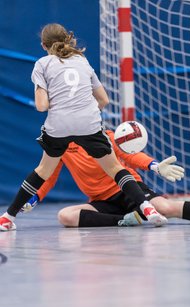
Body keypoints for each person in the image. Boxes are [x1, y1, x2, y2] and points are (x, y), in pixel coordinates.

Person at [0, 23, 170, 231]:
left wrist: (61, 104)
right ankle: (147, 208)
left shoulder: (42, 64)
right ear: (66, 39)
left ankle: (8, 217)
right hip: (88, 122)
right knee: (115, 168)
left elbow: (41, 106)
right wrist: (83, 111)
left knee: (42, 171)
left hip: (59, 125)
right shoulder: (82, 61)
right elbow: (104, 100)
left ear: (43, 45)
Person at [21, 129, 190, 227]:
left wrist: (153, 165)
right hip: (101, 202)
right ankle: (125, 221)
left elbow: (130, 155)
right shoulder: (59, 146)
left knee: (165, 207)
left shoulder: (104, 136)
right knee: (66, 216)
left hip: (128, 190)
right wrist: (34, 198)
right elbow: (47, 175)